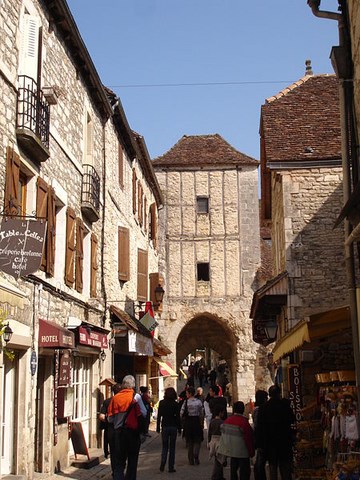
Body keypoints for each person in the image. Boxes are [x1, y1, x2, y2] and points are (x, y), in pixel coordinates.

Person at [107, 375, 147, 480]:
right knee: (132, 462)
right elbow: (144, 412)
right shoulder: (136, 397)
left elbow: (110, 419)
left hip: (119, 434)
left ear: (123, 385)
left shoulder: (115, 398)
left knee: (119, 463)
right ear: (133, 385)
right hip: (133, 434)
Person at [257, 385, 295, 480]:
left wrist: (260, 444)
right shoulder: (285, 406)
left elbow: (260, 427)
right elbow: (292, 419)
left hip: (270, 443)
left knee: (272, 467)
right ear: (279, 393)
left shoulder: (264, 408)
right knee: (285, 467)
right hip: (284, 441)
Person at [218, 401, 255, 480]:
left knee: (233, 471)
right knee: (244, 472)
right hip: (243, 452)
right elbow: (249, 438)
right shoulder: (244, 422)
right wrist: (251, 452)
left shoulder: (227, 421)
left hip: (231, 452)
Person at [156, 387, 181, 473]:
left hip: (165, 426)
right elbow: (178, 417)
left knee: (165, 446)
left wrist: (158, 428)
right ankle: (171, 466)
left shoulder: (162, 403)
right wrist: (179, 428)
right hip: (173, 427)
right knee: (172, 448)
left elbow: (159, 416)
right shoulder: (175, 404)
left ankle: (163, 463)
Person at [180, 386, 204, 465]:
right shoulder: (198, 402)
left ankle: (191, 459)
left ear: (190, 394)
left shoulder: (186, 402)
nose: (186, 395)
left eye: (187, 393)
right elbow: (201, 413)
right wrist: (202, 422)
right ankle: (196, 454)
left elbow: (181, 413)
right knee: (197, 440)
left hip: (188, 422)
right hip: (196, 421)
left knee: (190, 441)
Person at [99, 383, 121, 459]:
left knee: (111, 446)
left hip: (109, 427)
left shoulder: (107, 401)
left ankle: (107, 455)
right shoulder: (123, 401)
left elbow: (101, 416)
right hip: (120, 428)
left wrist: (107, 420)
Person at [253, 390, 268, 480]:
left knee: (259, 462)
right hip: (261, 438)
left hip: (259, 438)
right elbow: (257, 425)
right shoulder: (259, 410)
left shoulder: (256, 409)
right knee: (260, 463)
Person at [208, 404, 226, 480]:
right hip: (220, 442)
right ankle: (215, 476)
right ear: (220, 413)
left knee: (217, 459)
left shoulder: (212, 422)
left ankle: (220, 476)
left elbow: (209, 433)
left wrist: (209, 442)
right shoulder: (222, 422)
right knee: (220, 460)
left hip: (213, 441)